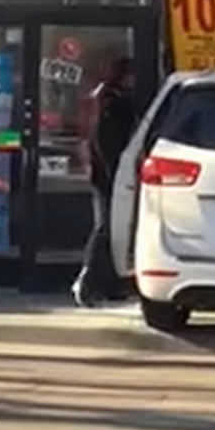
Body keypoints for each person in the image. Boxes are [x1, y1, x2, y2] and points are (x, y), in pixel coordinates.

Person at [72, 58, 139, 307]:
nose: (133, 81)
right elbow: (105, 141)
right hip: (108, 176)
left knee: (113, 229)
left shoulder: (102, 97)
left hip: (104, 173)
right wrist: (114, 175)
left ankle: (110, 283)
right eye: (130, 76)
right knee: (105, 228)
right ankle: (86, 282)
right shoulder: (113, 102)